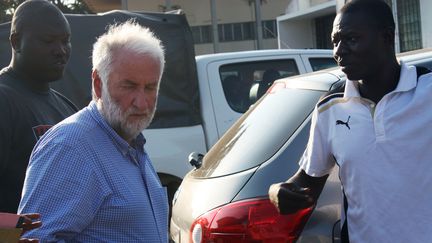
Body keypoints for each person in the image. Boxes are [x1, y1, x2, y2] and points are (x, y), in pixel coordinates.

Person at [268, 0, 432, 242]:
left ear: (386, 38)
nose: (339, 51)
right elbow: (307, 184)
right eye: (335, 41)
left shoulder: (427, 93)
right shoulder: (330, 109)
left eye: (351, 39)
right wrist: (276, 192)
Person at [18, 20, 168, 242]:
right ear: (98, 84)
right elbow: (33, 238)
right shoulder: (70, 147)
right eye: (129, 86)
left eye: (150, 87)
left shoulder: (130, 143)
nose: (142, 103)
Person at [0, 0, 77, 213]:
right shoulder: (4, 100)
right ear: (16, 42)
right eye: (48, 40)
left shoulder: (67, 108)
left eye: (66, 40)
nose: (61, 50)